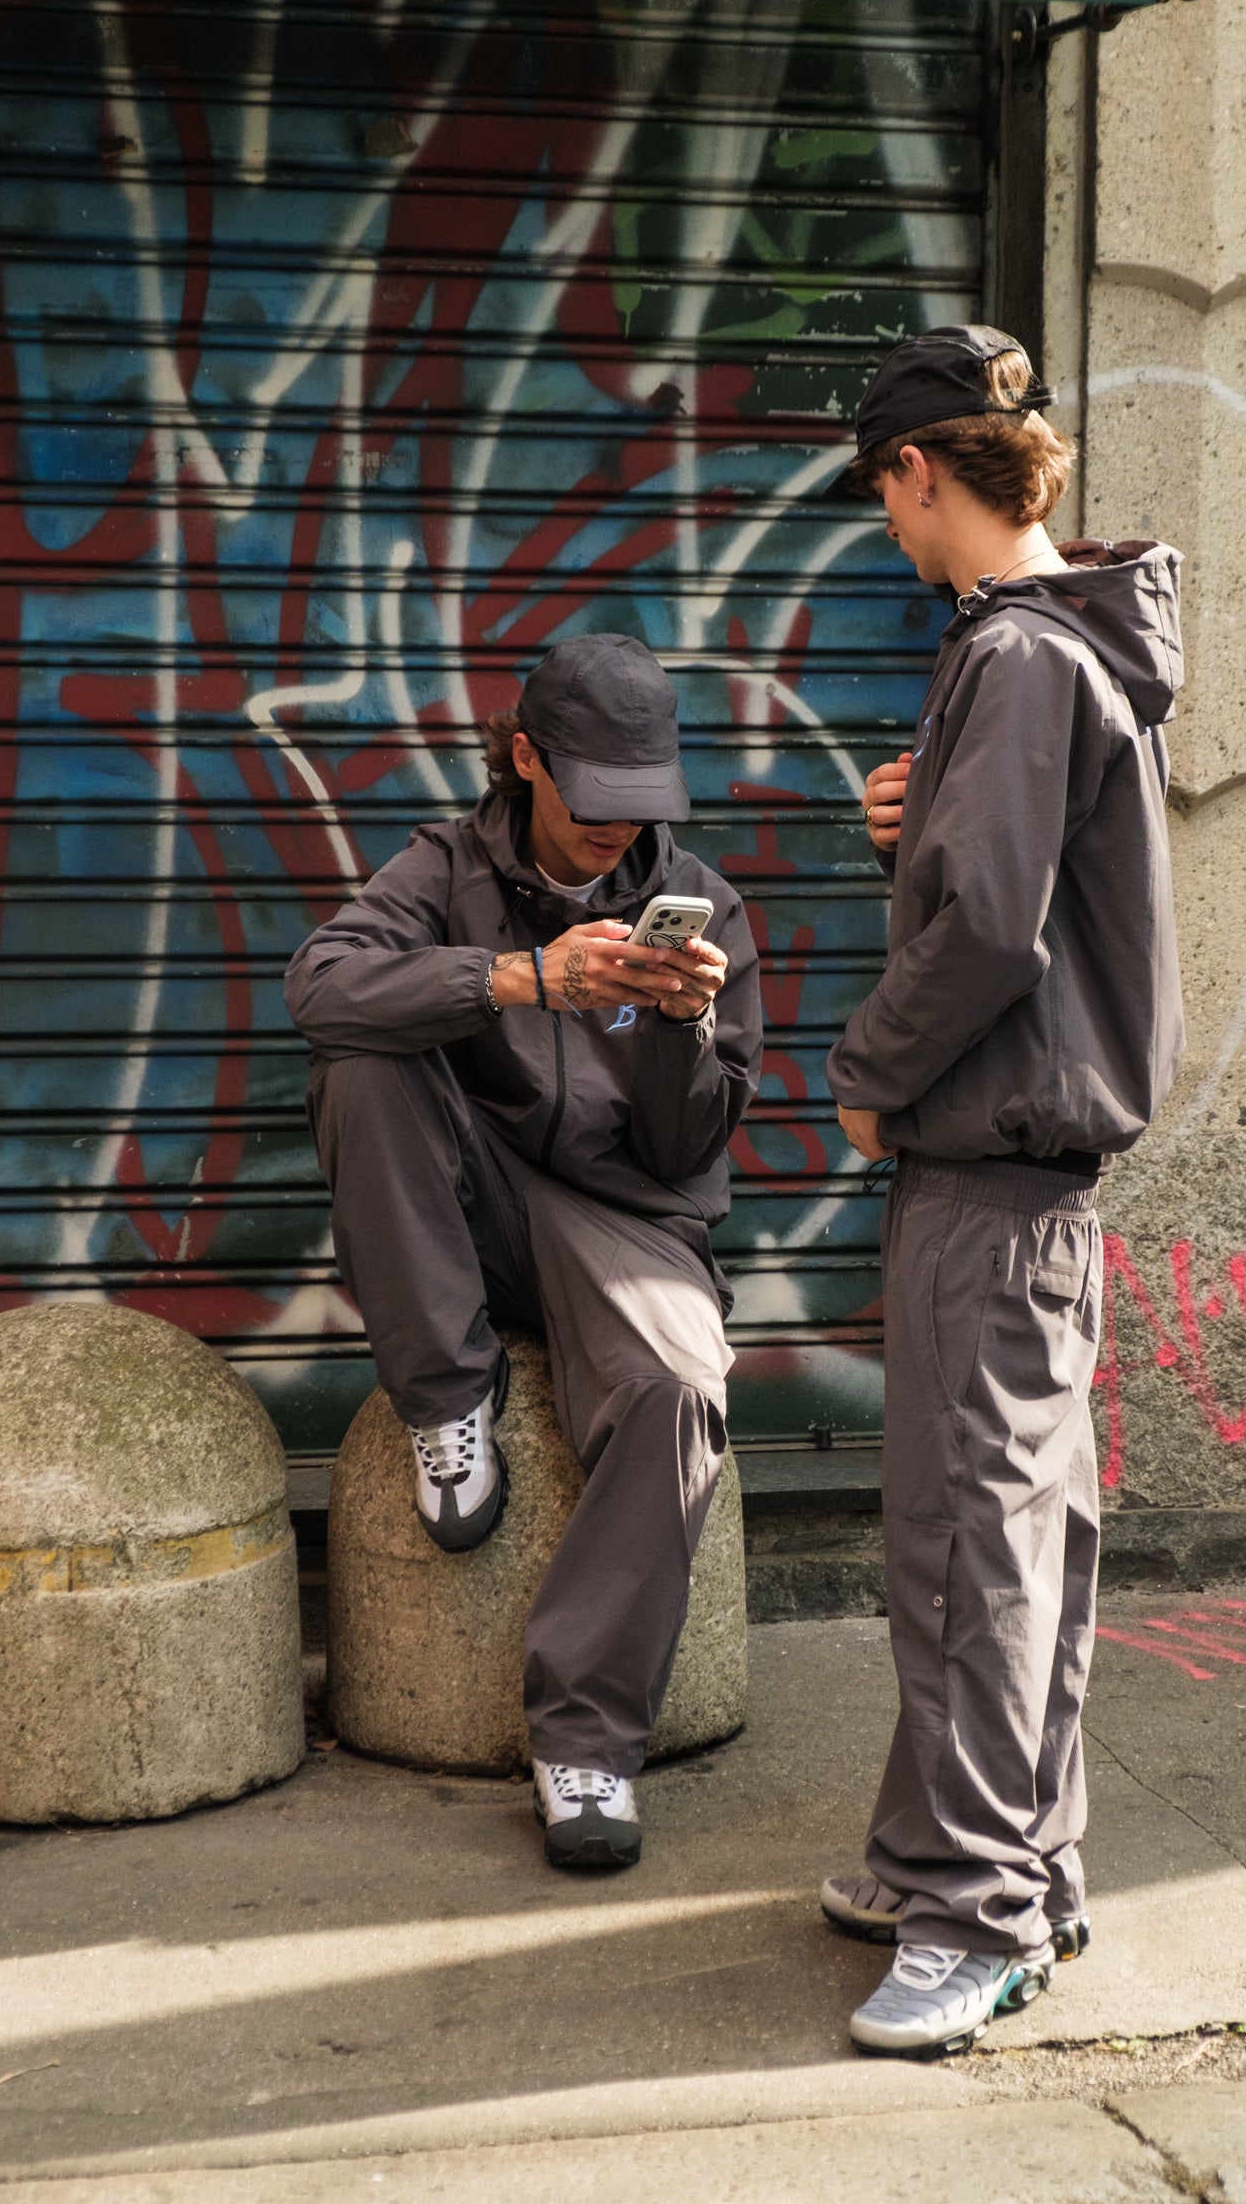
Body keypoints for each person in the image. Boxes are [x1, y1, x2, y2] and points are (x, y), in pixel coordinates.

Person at [817, 324, 1184, 2058]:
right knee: (1007, 1536)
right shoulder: (1036, 651)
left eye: (884, 497)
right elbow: (993, 886)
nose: (887, 532)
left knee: (973, 1550)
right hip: (1026, 1182)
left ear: (922, 474)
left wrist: (866, 1071)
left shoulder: (1025, 664)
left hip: (993, 1169)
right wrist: (922, 830)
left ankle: (979, 1918)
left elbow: (987, 934)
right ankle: (974, 1858)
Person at [284, 634, 761, 1872]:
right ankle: (450, 1404)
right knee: (360, 1055)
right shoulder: (447, 866)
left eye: (642, 801)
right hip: (468, 1196)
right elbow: (320, 985)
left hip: (623, 1218)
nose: (618, 829)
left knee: (676, 1392)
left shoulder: (705, 901)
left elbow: (688, 1151)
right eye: (594, 798)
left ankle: (588, 1741)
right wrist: (514, 978)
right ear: (526, 757)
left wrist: (680, 1026)